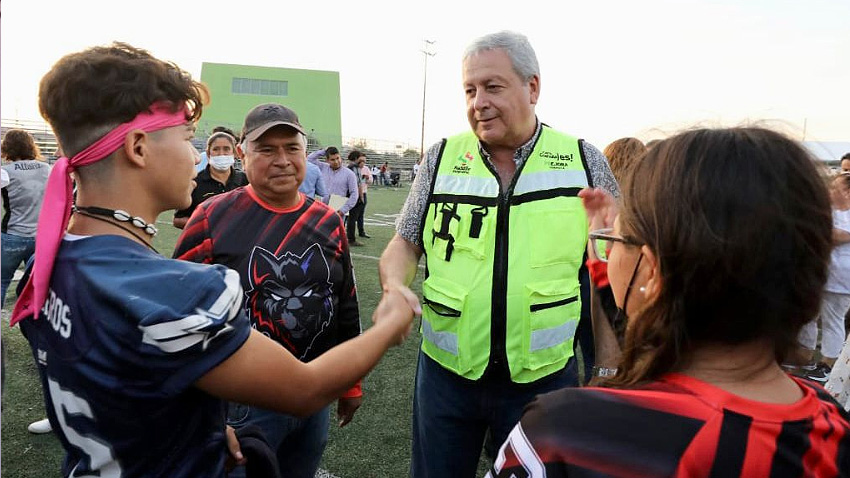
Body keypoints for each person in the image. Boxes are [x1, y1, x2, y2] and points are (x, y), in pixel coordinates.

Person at [12, 42, 415, 478]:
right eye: (187, 139)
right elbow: (305, 390)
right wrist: (391, 323)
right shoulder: (177, 293)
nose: (196, 156)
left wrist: (191, 422)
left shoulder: (49, 262)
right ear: (139, 148)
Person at [487, 127, 850, 478]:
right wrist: (608, 259)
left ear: (651, 271)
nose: (607, 246)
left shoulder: (569, 434)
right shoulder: (831, 422)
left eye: (616, 240)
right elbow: (647, 308)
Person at [378, 31, 619, 477]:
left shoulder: (585, 161)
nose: (478, 102)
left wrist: (606, 364)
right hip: (446, 376)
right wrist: (394, 285)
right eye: (469, 90)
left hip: (543, 380)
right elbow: (405, 242)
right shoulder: (442, 157)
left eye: (492, 87)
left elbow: (607, 272)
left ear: (532, 88)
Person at [173, 103, 366, 478]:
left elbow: (345, 301)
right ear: (243, 153)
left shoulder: (327, 220)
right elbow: (179, 316)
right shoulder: (212, 217)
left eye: (292, 148)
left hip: (314, 393)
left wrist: (351, 382)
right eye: (267, 149)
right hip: (243, 403)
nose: (282, 160)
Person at [793, 173, 850, 382]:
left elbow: (834, 236)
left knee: (832, 320)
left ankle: (827, 364)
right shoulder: (829, 211)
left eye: (836, 188)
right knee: (808, 315)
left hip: (842, 281)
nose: (831, 192)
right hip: (820, 275)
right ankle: (804, 355)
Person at [1, 129, 51, 309]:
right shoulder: (47, 168)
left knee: (1, 282)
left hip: (13, 236)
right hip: (40, 237)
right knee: (38, 285)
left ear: (7, 147)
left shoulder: (5, 172)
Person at [173, 130, 247, 229]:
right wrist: (206, 225)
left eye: (226, 149)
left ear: (235, 153)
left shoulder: (246, 181)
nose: (221, 154)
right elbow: (178, 220)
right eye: (216, 149)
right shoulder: (195, 182)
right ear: (208, 153)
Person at [308, 146, 360, 244]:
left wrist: (343, 210)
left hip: (338, 207)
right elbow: (310, 159)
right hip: (323, 205)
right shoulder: (323, 167)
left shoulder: (349, 174)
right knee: (321, 235)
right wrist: (324, 151)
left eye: (338, 158)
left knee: (336, 237)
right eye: (332, 159)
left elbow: (354, 194)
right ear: (327, 160)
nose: (336, 161)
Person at [345, 150, 368, 243]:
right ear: (356, 158)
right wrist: (361, 197)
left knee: (345, 217)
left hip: (345, 194)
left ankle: (343, 236)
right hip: (354, 195)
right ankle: (351, 239)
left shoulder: (347, 167)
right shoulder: (355, 168)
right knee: (352, 218)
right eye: (359, 157)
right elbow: (358, 183)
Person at [359, 157, 374, 238]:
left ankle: (361, 232)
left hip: (363, 193)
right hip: (353, 193)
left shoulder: (366, 169)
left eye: (364, 161)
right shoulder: (353, 168)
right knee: (348, 215)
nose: (363, 163)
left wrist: (368, 178)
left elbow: (371, 181)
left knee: (361, 213)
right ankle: (344, 231)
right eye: (361, 161)